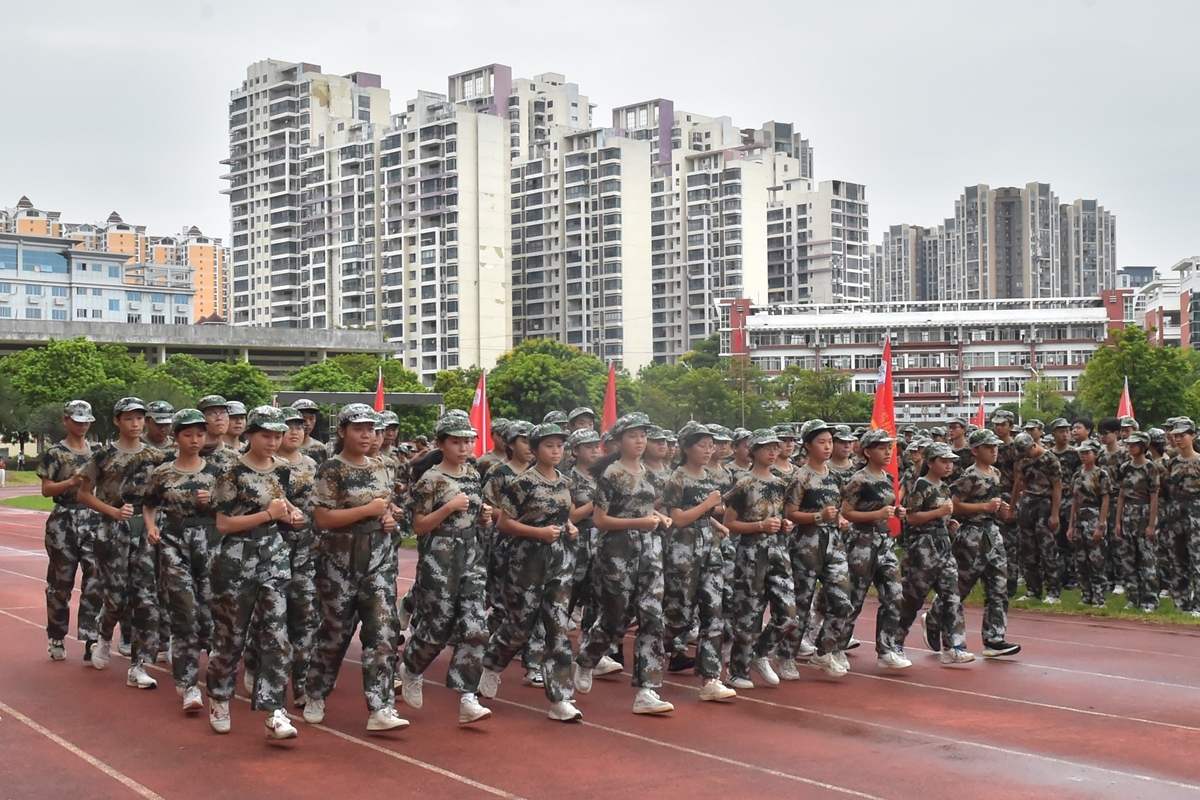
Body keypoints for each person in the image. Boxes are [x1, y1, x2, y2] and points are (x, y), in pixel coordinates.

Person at [303, 404, 407, 731]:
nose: (367, 435)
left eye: (372, 430)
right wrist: (367, 510)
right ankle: (316, 692)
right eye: (359, 429)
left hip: (377, 561)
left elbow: (383, 508)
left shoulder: (381, 467)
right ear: (342, 432)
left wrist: (386, 517)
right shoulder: (330, 469)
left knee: (382, 633)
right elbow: (322, 518)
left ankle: (381, 707)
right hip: (338, 562)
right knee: (334, 634)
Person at [208, 406, 305, 739]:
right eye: (266, 435)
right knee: (231, 636)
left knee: (277, 635)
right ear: (249, 434)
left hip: (273, 556)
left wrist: (292, 515)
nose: (273, 441)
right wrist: (268, 515)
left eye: (278, 435)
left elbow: (284, 507)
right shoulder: (230, 472)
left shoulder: (282, 470)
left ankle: (274, 711)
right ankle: (219, 696)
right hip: (236, 559)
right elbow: (223, 525)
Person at [478, 423, 583, 721]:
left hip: (559, 562)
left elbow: (565, 513)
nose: (556, 451)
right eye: (549, 446)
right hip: (526, 561)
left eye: (560, 446)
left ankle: (561, 698)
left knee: (557, 629)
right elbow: (504, 524)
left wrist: (569, 527)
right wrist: (537, 533)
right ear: (535, 450)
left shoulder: (565, 482)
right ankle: (492, 662)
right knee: (519, 626)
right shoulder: (521, 483)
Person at [573, 412, 675, 715]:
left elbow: (645, 509)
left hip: (649, 552)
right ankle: (588, 657)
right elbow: (601, 520)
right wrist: (642, 521)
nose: (641, 441)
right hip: (616, 553)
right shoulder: (612, 474)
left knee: (652, 617)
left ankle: (647, 690)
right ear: (618, 442)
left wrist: (657, 517)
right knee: (615, 618)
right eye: (634, 436)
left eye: (643, 435)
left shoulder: (649, 473)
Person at [399, 415, 494, 725]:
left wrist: (484, 518)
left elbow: (475, 515)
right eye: (456, 441)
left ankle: (468, 696)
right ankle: (411, 668)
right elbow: (419, 526)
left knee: (476, 628)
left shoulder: (472, 475)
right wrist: (448, 507)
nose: (464, 447)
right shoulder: (430, 479)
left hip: (471, 557)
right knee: (437, 629)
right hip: (439, 558)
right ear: (440, 444)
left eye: (468, 441)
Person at [77, 397, 164, 686]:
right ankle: (103, 637)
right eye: (129, 418)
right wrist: (112, 511)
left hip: (145, 531)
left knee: (146, 600)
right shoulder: (103, 455)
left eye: (140, 418)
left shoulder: (155, 457)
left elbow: (160, 495)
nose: (136, 424)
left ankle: (138, 665)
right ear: (117, 421)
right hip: (112, 531)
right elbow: (84, 494)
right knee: (116, 598)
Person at [142, 408, 220, 711]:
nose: (195, 440)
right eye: (188, 434)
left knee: (209, 617)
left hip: (210, 546)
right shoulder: (163, 472)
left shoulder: (216, 473)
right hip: (174, 544)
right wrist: (151, 526)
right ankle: (188, 686)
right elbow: (149, 505)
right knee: (184, 615)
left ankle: (213, 676)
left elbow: (230, 511)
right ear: (176, 437)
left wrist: (212, 502)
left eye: (200, 434)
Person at [660, 422, 737, 701]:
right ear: (686, 448)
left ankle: (710, 679)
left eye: (710, 444)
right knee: (678, 616)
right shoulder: (676, 478)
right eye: (701, 445)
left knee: (713, 613)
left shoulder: (711, 477)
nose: (708, 450)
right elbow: (678, 519)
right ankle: (659, 647)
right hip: (682, 551)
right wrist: (708, 506)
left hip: (710, 550)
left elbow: (707, 511)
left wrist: (715, 521)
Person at [928, 429, 1021, 658]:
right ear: (975, 450)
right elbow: (954, 505)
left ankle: (994, 639)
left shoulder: (996, 473)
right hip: (971, 536)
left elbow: (989, 503)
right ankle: (934, 616)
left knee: (999, 587)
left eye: (996, 446)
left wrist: (999, 508)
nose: (994, 450)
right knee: (961, 587)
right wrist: (984, 508)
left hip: (992, 534)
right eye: (989, 447)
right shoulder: (969, 476)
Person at [721, 428, 798, 689]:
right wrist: (760, 526)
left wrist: (784, 524)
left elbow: (781, 515)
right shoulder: (743, 484)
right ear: (753, 450)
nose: (773, 451)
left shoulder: (780, 483)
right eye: (767, 447)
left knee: (788, 615)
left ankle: (759, 653)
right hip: (751, 553)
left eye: (776, 447)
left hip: (778, 551)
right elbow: (730, 523)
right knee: (749, 614)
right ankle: (737, 669)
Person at [781, 419, 853, 679]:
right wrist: (818, 517)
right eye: (821, 442)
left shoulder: (834, 476)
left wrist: (839, 519)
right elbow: (790, 513)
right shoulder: (800, 477)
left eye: (830, 442)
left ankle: (823, 651)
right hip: (806, 545)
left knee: (844, 599)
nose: (827, 446)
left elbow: (839, 507)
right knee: (801, 603)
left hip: (833, 544)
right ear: (807, 446)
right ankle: (787, 655)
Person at [835, 428, 910, 669]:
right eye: (881, 448)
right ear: (867, 452)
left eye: (890, 447)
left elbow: (886, 506)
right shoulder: (858, 479)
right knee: (855, 596)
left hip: (884, 541)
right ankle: (837, 647)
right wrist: (876, 513)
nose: (888, 452)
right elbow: (846, 512)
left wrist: (896, 513)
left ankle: (886, 649)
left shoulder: (887, 478)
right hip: (861, 541)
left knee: (895, 594)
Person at [261, 406, 320, 710]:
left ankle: (301, 685)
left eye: (299, 426)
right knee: (271, 619)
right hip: (271, 551)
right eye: (288, 427)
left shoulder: (312, 463)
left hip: (307, 551)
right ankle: (264, 676)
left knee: (305, 617)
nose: (295, 431)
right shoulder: (268, 467)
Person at [37, 400, 102, 662]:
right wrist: (72, 481)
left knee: (95, 580)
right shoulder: (55, 453)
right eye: (77, 420)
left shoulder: (98, 451)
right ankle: (56, 635)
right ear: (65, 421)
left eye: (86, 420)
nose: (83, 424)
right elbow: (46, 489)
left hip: (93, 518)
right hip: (64, 519)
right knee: (60, 582)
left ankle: (91, 638)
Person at [898, 442, 974, 665]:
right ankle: (895, 643)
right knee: (912, 598)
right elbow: (911, 518)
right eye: (944, 461)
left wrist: (947, 522)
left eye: (951, 461)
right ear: (930, 462)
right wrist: (939, 512)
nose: (949, 465)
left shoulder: (944, 487)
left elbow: (938, 515)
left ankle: (954, 646)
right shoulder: (921, 486)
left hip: (942, 545)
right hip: (923, 549)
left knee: (952, 596)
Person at [1011, 431, 1064, 604]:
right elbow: (1019, 483)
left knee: (1048, 550)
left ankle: (1054, 592)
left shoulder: (1050, 460)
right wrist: (1013, 507)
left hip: (1045, 504)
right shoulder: (1023, 459)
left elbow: (1057, 487)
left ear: (1034, 445)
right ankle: (1033, 590)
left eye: (1027, 451)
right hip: (1027, 505)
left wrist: (1055, 514)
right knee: (1027, 550)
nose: (1025, 455)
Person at [1114, 431, 1161, 612]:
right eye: (1128, 444)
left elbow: (1154, 497)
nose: (1130, 446)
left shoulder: (1151, 468)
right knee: (1128, 559)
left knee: (1147, 559)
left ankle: (1150, 600)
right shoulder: (1125, 467)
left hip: (1144, 511)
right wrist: (1118, 522)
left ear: (1143, 447)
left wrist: (1151, 524)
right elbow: (1121, 496)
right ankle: (1133, 597)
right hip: (1128, 513)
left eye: (1134, 444)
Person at [1067, 440, 1111, 607]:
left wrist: (1101, 524)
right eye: (1082, 453)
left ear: (1096, 454)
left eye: (1088, 453)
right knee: (1081, 560)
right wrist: (1071, 526)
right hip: (1080, 518)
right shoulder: (1077, 475)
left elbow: (1105, 500)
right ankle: (1086, 595)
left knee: (1097, 559)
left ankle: (1099, 597)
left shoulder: (1101, 475)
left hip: (1094, 516)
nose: (1084, 456)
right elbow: (1075, 501)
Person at [1163, 418, 1200, 615]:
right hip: (1176, 513)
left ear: (1192, 436)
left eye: (1182, 435)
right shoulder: (1172, 463)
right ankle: (1181, 604)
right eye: (1176, 436)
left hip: (1196, 512)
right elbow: (1168, 487)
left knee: (1197, 560)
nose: (1178, 439)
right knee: (1177, 560)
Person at [1049, 418, 1081, 590]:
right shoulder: (1049, 455)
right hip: (1054, 500)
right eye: (1061, 431)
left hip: (1070, 499)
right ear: (1053, 433)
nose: (1065, 434)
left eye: (1067, 431)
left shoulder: (1075, 454)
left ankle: (1073, 577)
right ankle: (1058, 576)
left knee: (1071, 540)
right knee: (1055, 540)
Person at [292, 399, 330, 465]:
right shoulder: (283, 447)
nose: (308, 423)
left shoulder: (320, 449)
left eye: (311, 418)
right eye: (304, 419)